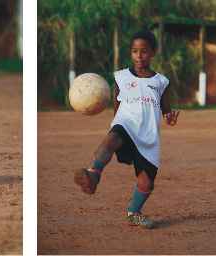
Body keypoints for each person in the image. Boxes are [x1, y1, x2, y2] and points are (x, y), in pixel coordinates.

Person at [74, 30, 181, 228]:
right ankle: (93, 174)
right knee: (110, 140)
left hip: (148, 137)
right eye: (134, 51)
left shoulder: (161, 82)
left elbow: (165, 109)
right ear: (130, 53)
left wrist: (170, 117)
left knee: (146, 183)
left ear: (153, 52)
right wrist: (116, 127)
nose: (139, 56)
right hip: (126, 125)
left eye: (144, 51)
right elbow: (116, 107)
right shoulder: (121, 77)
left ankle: (134, 212)